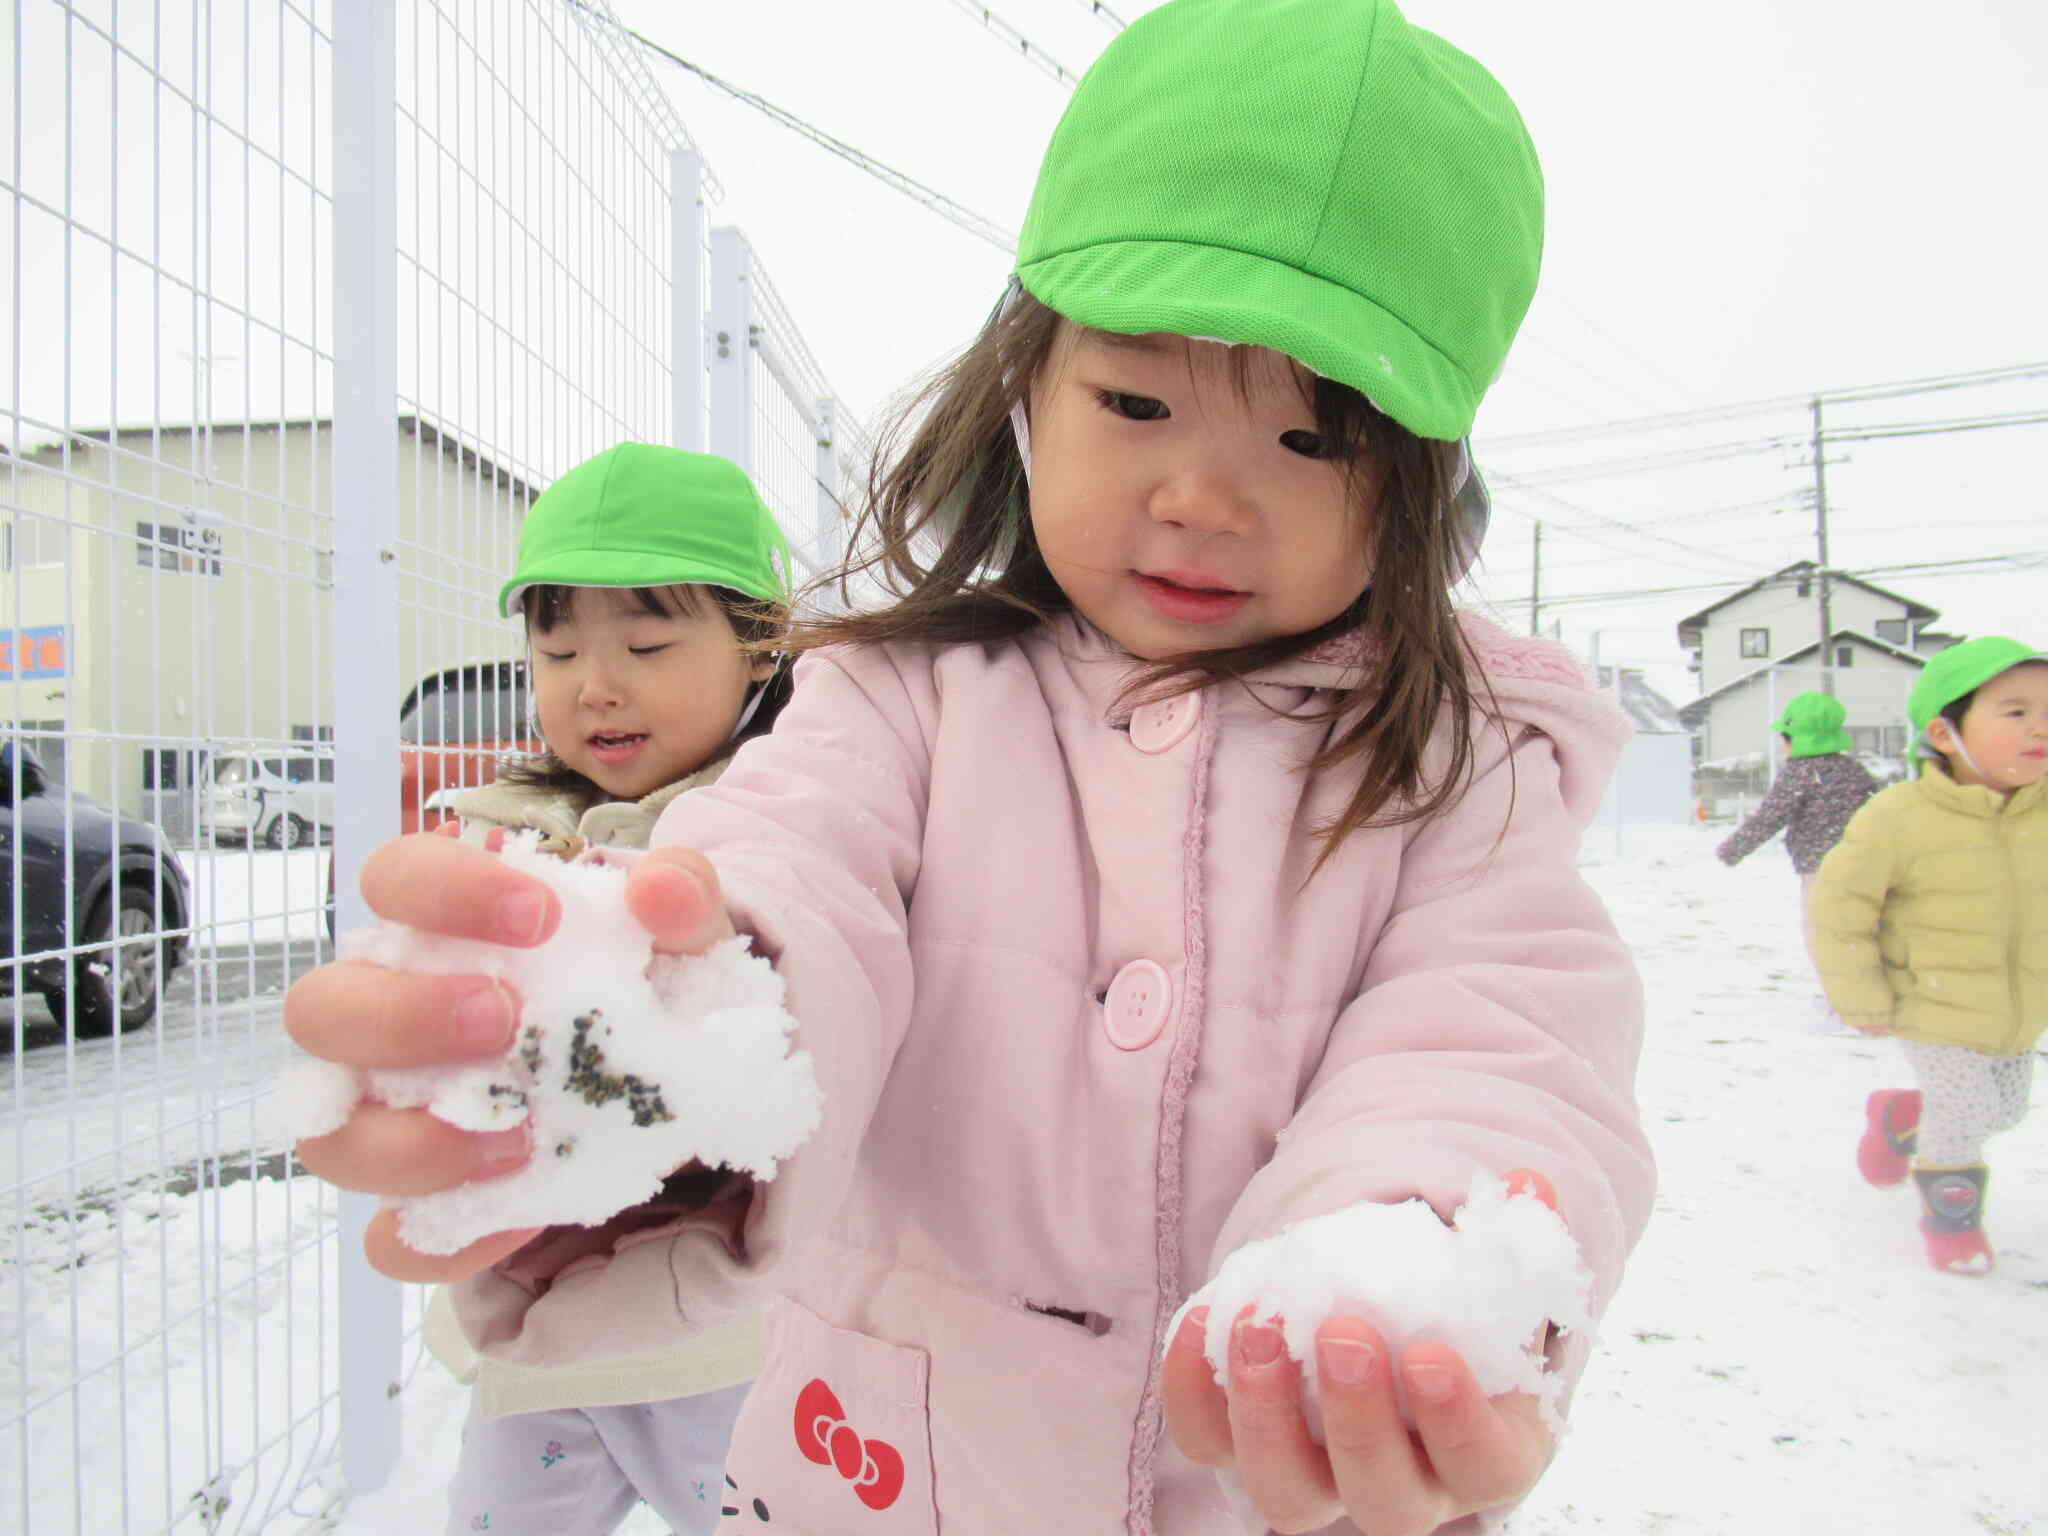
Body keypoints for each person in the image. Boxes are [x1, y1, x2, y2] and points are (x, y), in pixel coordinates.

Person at [287, 2, 1655, 1530]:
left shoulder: (1458, 769)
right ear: (1023, 393)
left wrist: (1398, 1255)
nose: (1201, 496)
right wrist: (663, 1032)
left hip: (1270, 1490)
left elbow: (1497, 1035)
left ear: (1424, 489)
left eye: (1317, 439)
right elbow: (792, 877)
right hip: (886, 1477)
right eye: (1136, 401)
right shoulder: (902, 701)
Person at [424, 441, 796, 1536]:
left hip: (720, 1343)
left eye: (645, 641)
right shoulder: (501, 835)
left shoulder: (784, 829)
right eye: (555, 647)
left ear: (761, 650)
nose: (595, 684)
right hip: (537, 1339)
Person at [1810, 636, 2048, 1274]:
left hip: (2018, 1007)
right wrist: (1858, 994)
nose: (2039, 728)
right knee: (1966, 1114)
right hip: (1931, 1000)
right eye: (2016, 711)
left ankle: (1900, 1116)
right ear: (1945, 732)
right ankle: (1953, 1225)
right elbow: (1840, 906)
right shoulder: (1899, 817)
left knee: (2004, 1109)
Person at [1715, 691, 1877, 971]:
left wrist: (1733, 849)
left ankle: (1840, 989)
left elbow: (1771, 816)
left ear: (1795, 739)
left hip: (1820, 867)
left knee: (1820, 931)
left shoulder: (1800, 772)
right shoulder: (1854, 769)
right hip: (1863, 865)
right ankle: (1862, 978)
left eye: (1784, 737)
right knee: (1859, 928)